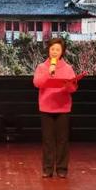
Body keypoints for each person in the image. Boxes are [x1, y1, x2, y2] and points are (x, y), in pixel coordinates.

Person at [33, 37, 78, 178]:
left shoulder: (68, 68)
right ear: (48, 50)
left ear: (62, 51)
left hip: (63, 108)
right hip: (46, 108)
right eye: (52, 49)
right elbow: (37, 83)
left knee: (63, 140)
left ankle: (62, 169)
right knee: (48, 140)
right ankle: (47, 169)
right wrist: (49, 72)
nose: (54, 52)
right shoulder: (41, 67)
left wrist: (68, 85)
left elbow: (73, 89)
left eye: (58, 49)